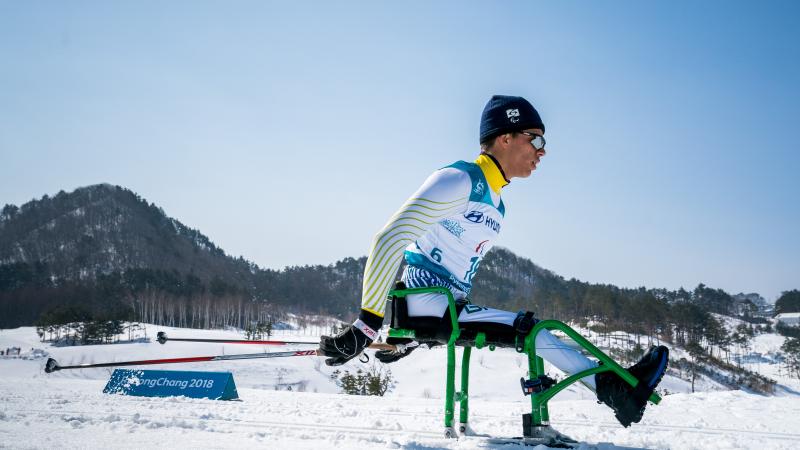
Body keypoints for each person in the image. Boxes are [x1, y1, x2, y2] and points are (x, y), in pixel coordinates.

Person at [319, 95, 668, 427]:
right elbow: (389, 239)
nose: (542, 150)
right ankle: (616, 389)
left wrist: (410, 336)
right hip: (432, 302)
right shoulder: (459, 180)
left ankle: (615, 386)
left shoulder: (498, 204)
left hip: (447, 305)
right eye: (535, 138)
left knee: (535, 329)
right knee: (534, 330)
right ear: (504, 138)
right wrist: (368, 324)